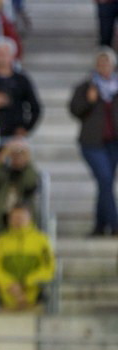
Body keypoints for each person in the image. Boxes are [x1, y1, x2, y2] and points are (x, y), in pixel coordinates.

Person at [69, 47, 118, 236]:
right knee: (105, 179)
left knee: (104, 183)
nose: (104, 66)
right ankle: (114, 224)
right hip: (92, 143)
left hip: (113, 143)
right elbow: (74, 110)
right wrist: (89, 101)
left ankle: (99, 226)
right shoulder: (86, 86)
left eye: (107, 63)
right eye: (100, 63)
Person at [0, 204, 55, 311]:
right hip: (5, 304)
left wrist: (27, 282)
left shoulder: (42, 241)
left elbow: (48, 268)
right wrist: (10, 285)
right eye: (14, 217)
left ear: (30, 218)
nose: (18, 220)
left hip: (34, 303)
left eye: (21, 217)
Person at [0, 37, 41, 142]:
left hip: (14, 135)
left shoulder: (21, 80)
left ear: (13, 56)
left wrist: (26, 128)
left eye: (5, 54)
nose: (2, 58)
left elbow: (35, 107)